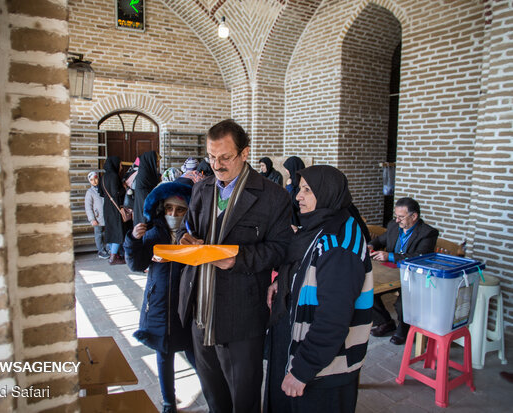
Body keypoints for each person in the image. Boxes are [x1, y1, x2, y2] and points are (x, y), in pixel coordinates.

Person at [178, 119, 293, 413]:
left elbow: (281, 249)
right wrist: (184, 240)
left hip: (241, 317)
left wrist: (236, 259)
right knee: (214, 396)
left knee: (244, 399)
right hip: (200, 311)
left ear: (245, 153)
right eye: (211, 157)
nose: (217, 165)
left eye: (225, 157)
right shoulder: (202, 189)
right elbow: (186, 228)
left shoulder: (273, 197)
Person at [265, 165, 373, 413]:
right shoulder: (323, 224)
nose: (298, 196)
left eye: (307, 190)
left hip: (322, 367)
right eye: (299, 189)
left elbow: (333, 319)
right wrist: (282, 282)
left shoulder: (338, 247)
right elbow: (305, 266)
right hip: (298, 339)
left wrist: (302, 371)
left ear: (327, 192)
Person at [124, 177, 197, 413]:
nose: (173, 213)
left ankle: (214, 394)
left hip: (188, 305)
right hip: (159, 303)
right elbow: (136, 264)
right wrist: (133, 240)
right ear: (162, 208)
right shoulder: (154, 233)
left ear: (189, 211)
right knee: (164, 355)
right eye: (169, 208)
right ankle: (168, 401)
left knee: (197, 355)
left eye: (179, 209)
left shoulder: (194, 235)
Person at [369, 197, 439, 344]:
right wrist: (371, 245)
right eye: (396, 216)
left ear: (414, 216)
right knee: (366, 290)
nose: (397, 220)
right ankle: (385, 322)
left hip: (413, 276)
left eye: (401, 217)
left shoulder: (427, 233)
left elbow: (420, 257)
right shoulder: (394, 227)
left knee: (403, 304)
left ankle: (404, 328)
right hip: (390, 273)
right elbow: (381, 240)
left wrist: (390, 256)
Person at [101, 156, 128, 265]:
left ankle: (114, 254)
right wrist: (124, 188)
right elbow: (117, 193)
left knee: (111, 230)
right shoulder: (114, 176)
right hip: (115, 207)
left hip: (107, 207)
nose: (121, 167)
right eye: (120, 164)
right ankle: (113, 258)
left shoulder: (103, 177)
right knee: (117, 231)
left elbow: (101, 193)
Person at [85, 171, 110, 259]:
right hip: (98, 217)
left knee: (107, 233)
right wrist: (92, 219)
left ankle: (108, 249)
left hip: (106, 215)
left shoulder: (103, 189)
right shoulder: (90, 192)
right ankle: (101, 250)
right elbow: (88, 207)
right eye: (91, 180)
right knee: (98, 234)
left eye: (95, 179)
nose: (94, 181)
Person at [133, 151, 160, 226]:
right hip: (144, 202)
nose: (157, 164)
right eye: (156, 161)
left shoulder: (147, 171)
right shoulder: (144, 174)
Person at [283, 156, 306, 227]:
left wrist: (289, 187)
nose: (286, 171)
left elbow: (295, 201)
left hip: (299, 219)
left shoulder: (303, 182)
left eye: (288, 169)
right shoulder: (292, 180)